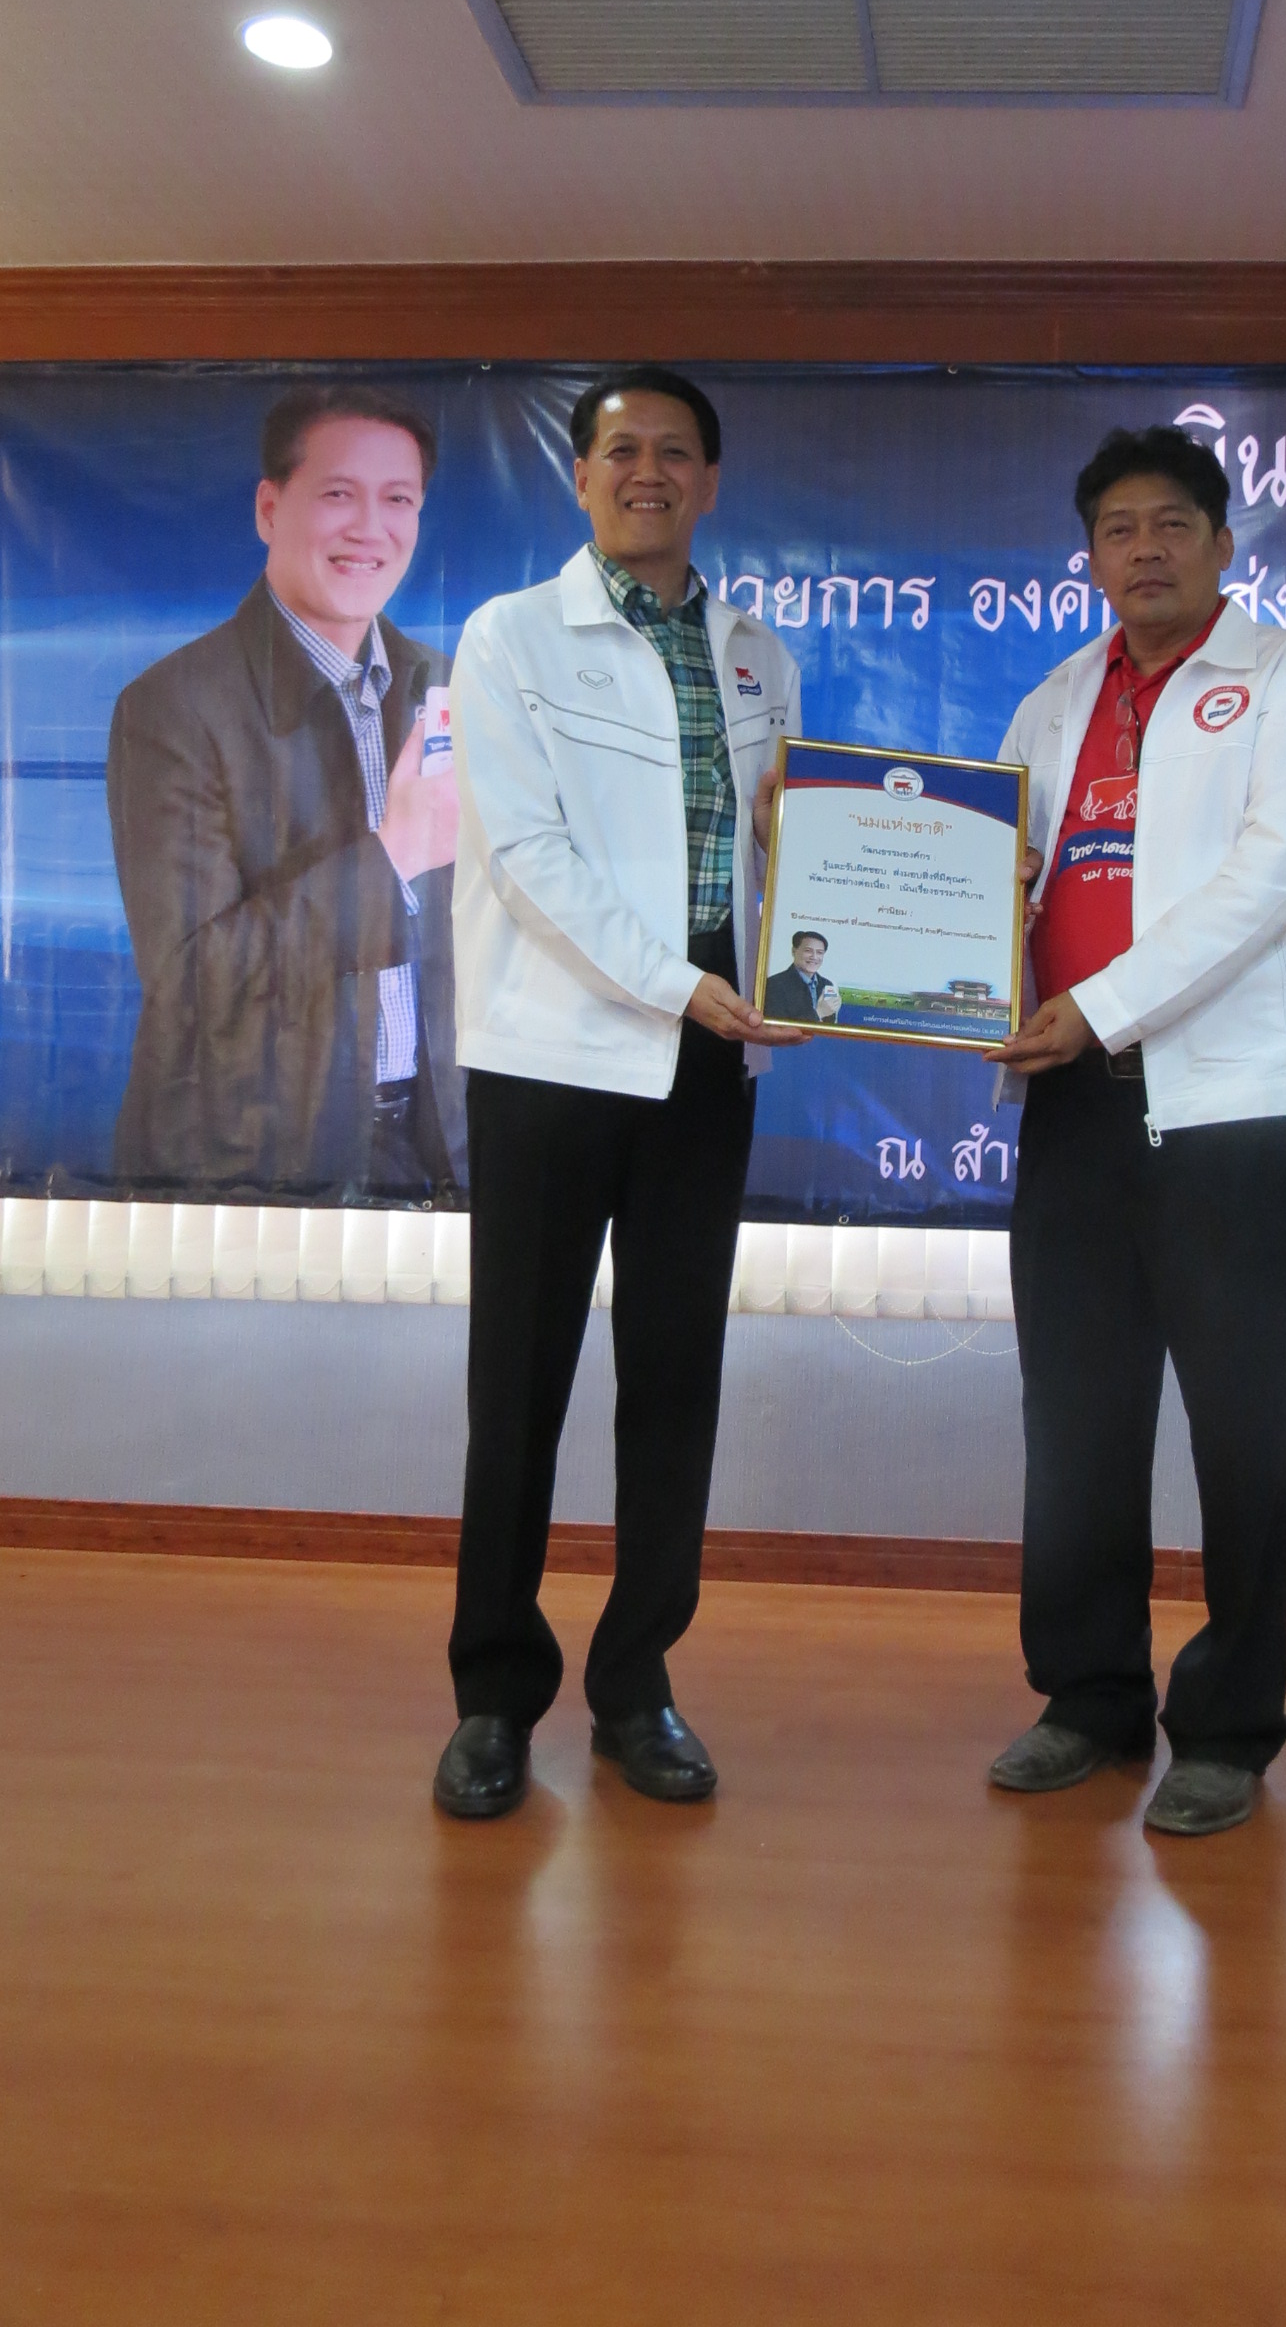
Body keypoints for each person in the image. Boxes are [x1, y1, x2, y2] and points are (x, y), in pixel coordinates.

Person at [985, 424, 1286, 1837]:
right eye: (1116, 529)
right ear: (1089, 556)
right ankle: (1088, 1696)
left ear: (1220, 544)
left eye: (1169, 525)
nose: (1142, 550)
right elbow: (992, 867)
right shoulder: (1054, 698)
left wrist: (1100, 1006)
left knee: (1243, 1427)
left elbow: (1276, 876)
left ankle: (1227, 1725)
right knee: (1075, 1418)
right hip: (1076, 1106)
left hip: (1234, 1109)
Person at [434, 365, 804, 1822]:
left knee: (672, 1380)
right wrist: (677, 982)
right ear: (581, 477)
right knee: (517, 1385)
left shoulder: (760, 656)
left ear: (709, 480)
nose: (647, 471)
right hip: (552, 1054)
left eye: (675, 451)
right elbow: (526, 856)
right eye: (620, 449)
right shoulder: (510, 636)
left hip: (707, 1056)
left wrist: (812, 968)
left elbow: (783, 853)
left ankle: (637, 1683)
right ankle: (492, 1696)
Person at [106, 384, 464, 1200]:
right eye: (338, 494)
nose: (370, 527)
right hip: (252, 1168)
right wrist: (390, 861)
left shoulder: (446, 688)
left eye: (398, 499)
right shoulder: (172, 707)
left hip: (437, 1152)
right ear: (270, 509)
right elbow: (191, 977)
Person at [763, 929, 842, 1023]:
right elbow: (777, 1025)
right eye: (808, 951)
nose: (814, 957)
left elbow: (829, 1023)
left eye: (820, 952)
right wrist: (819, 1013)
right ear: (793, 951)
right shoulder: (774, 984)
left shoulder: (826, 984)